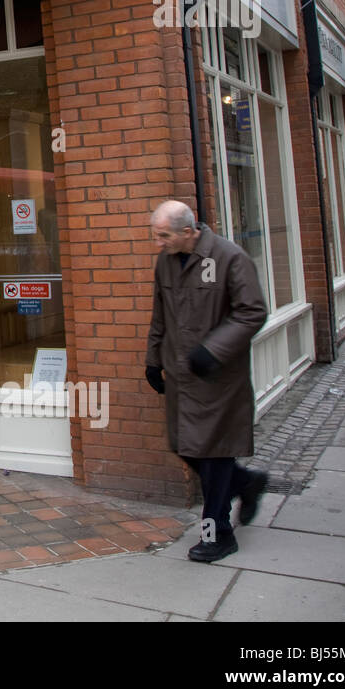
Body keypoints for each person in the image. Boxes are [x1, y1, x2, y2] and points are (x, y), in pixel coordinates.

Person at [145, 200, 269, 563]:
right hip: (181, 376)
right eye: (156, 236)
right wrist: (153, 361)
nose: (158, 243)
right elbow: (160, 315)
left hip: (217, 378)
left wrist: (212, 350)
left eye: (163, 236)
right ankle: (246, 483)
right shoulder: (166, 262)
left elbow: (253, 312)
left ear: (188, 231)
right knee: (184, 446)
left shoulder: (229, 257)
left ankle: (218, 535)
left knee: (214, 456)